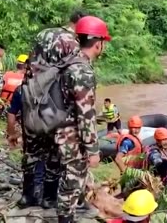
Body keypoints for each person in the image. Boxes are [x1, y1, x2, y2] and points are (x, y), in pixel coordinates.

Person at [18, 10, 87, 210]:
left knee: (31, 150)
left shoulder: (42, 34)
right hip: (55, 103)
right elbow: (73, 75)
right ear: (80, 24)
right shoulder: (73, 43)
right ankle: (49, 198)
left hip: (32, 97)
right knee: (54, 152)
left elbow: (31, 66)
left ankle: (27, 196)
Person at [56, 15, 111, 222]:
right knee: (71, 182)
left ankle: (70, 212)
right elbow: (85, 115)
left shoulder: (69, 62)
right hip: (72, 135)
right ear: (98, 44)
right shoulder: (82, 71)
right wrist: (93, 151)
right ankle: (66, 218)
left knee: (70, 179)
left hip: (61, 129)